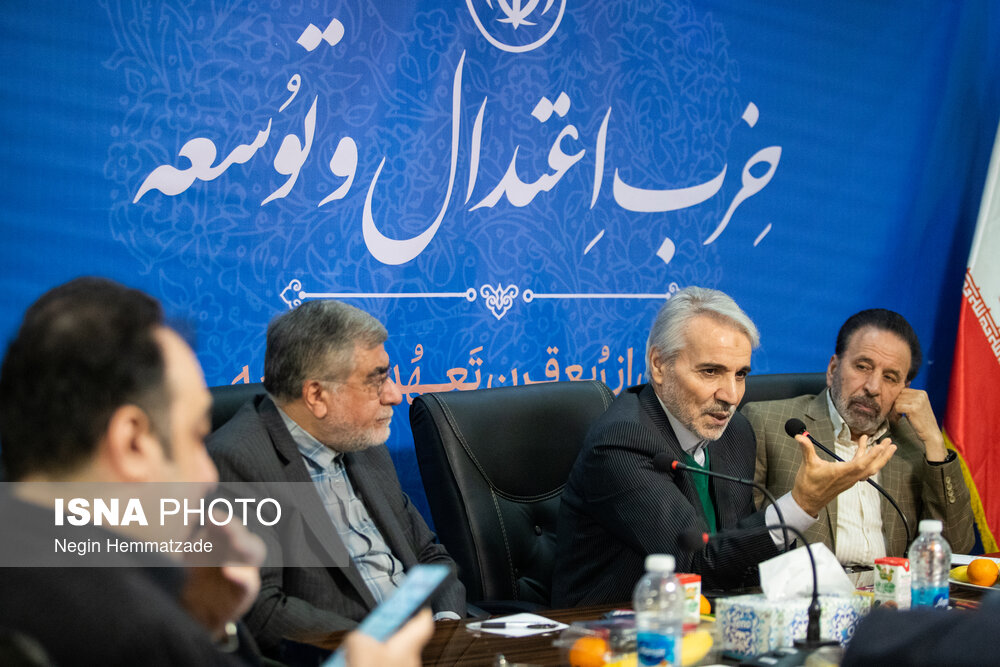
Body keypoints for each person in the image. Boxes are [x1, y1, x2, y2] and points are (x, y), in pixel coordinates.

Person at [551, 287, 896, 606]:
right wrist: (802, 503)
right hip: (612, 630)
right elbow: (696, 564)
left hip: (709, 623)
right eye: (710, 372)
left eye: (740, 374)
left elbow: (739, 557)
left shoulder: (735, 433)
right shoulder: (622, 440)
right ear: (659, 365)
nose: (731, 396)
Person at [0, 277, 265, 666]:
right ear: (132, 443)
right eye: (196, 437)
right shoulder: (140, 630)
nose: (209, 474)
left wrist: (204, 620)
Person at [207, 299, 466, 656]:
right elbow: (262, 610)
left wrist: (447, 627)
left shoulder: (364, 441)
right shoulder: (238, 460)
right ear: (317, 395)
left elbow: (429, 556)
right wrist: (376, 647)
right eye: (376, 380)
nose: (395, 395)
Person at [744, 308, 974, 570]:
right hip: (807, 590)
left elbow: (956, 549)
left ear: (904, 390)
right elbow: (739, 545)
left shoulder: (914, 446)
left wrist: (934, 442)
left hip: (889, 592)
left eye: (890, 378)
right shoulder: (768, 424)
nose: (873, 387)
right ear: (833, 369)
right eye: (863, 367)